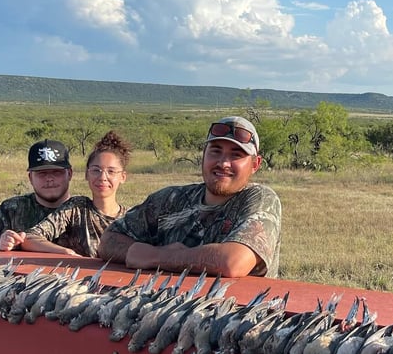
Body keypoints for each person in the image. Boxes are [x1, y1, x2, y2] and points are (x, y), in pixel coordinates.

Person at [97, 116, 281, 278]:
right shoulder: (170, 199)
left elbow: (233, 262)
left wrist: (157, 256)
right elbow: (108, 241)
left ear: (255, 164)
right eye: (216, 151)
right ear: (204, 155)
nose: (223, 163)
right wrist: (137, 253)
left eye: (236, 155)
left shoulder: (260, 200)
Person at [20, 131, 131, 258]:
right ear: (87, 174)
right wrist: (66, 253)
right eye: (96, 170)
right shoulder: (76, 208)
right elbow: (30, 238)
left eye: (111, 171)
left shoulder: (133, 217)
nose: (102, 177)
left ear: (123, 177)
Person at [0, 139, 73, 252]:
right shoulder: (11, 209)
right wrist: (1, 245)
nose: (49, 179)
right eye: (42, 173)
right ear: (30, 177)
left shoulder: (83, 211)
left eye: (56, 172)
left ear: (69, 174)